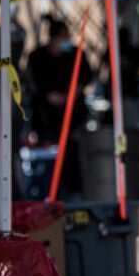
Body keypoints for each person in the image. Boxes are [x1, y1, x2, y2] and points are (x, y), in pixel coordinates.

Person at [26, 17, 94, 196]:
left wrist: (75, 91)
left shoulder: (75, 54)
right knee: (50, 157)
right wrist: (49, 96)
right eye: (62, 37)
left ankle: (73, 190)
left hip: (72, 116)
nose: (66, 41)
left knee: (72, 155)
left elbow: (87, 77)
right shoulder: (37, 57)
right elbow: (33, 84)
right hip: (47, 118)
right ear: (53, 38)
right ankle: (50, 192)